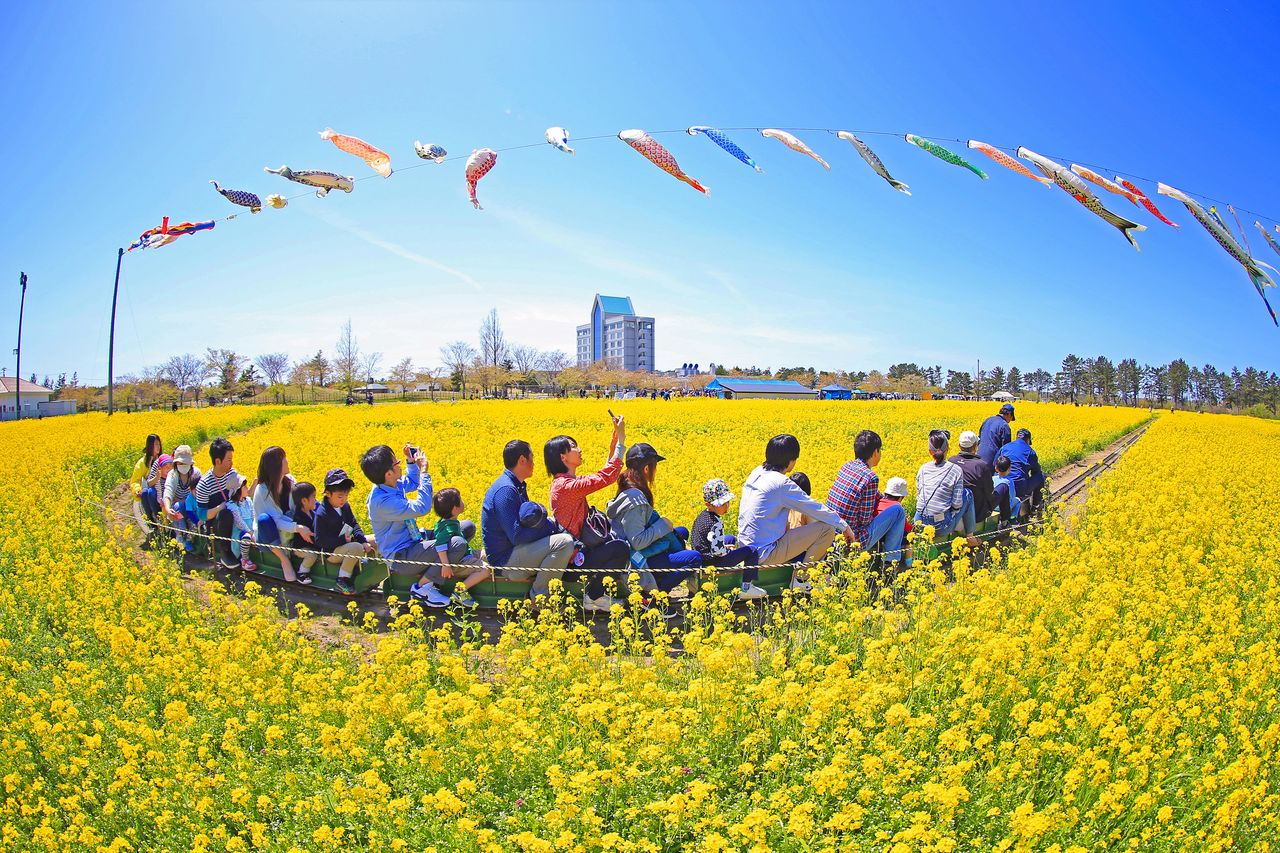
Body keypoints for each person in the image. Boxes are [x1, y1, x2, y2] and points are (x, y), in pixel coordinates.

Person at [738, 435, 855, 587]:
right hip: (765, 554)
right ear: (791, 461)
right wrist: (844, 527)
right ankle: (801, 579)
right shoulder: (780, 483)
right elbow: (813, 507)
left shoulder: (756, 473)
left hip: (746, 549)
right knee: (827, 529)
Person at [361, 443, 464, 608]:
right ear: (388, 473)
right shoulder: (382, 501)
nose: (399, 464)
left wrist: (411, 462)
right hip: (402, 556)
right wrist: (424, 471)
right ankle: (422, 588)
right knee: (457, 544)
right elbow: (422, 507)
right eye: (397, 462)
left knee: (465, 527)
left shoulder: (389, 484)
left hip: (415, 539)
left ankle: (442, 566)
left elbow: (412, 483)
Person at [545, 415, 628, 613]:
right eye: (574, 447)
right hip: (575, 561)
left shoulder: (566, 483)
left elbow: (601, 476)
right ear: (563, 457)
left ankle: (598, 594)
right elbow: (604, 478)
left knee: (615, 542)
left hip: (581, 553)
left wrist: (614, 445)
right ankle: (593, 597)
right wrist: (622, 440)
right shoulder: (565, 487)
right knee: (619, 549)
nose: (580, 450)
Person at [605, 443, 700, 601]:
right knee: (694, 558)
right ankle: (657, 593)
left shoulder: (627, 486)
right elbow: (637, 541)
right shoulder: (635, 500)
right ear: (646, 469)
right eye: (654, 467)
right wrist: (663, 525)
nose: (655, 472)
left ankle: (663, 576)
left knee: (682, 532)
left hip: (639, 550)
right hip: (637, 559)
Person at [483, 440, 574, 603]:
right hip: (506, 562)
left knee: (556, 529)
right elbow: (517, 536)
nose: (534, 462)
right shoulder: (506, 491)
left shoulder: (515, 485)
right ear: (522, 460)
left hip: (514, 552)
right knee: (564, 542)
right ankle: (540, 598)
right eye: (532, 457)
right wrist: (550, 527)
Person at [827, 430, 905, 567]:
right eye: (880, 450)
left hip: (832, 535)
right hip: (853, 540)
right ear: (875, 452)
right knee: (898, 511)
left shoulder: (847, 466)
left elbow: (876, 495)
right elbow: (865, 520)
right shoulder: (870, 477)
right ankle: (890, 562)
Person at [691, 478, 765, 601]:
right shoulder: (715, 523)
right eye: (722, 504)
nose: (727, 506)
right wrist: (729, 551)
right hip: (713, 562)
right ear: (708, 504)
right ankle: (747, 588)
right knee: (751, 551)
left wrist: (725, 548)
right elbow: (718, 551)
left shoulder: (703, 516)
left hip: (703, 557)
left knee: (730, 538)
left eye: (727, 502)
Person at [252, 446, 314, 584]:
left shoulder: (290, 481)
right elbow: (276, 521)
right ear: (276, 465)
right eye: (284, 458)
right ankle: (284, 560)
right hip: (269, 536)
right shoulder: (262, 490)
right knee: (264, 520)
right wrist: (298, 528)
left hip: (289, 530)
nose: (287, 461)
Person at [313, 468, 376, 596]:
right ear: (328, 494)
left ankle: (370, 574)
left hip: (346, 545)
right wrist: (342, 540)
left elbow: (354, 524)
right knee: (356, 547)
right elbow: (320, 540)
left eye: (346, 495)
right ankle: (342, 580)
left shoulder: (345, 506)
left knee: (376, 539)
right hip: (331, 552)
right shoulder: (322, 513)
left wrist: (363, 541)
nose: (344, 499)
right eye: (340, 496)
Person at [914, 430, 979, 547]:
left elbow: (919, 495)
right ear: (947, 449)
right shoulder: (955, 470)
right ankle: (970, 537)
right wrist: (952, 515)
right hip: (941, 527)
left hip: (920, 523)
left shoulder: (923, 468)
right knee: (967, 493)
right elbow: (957, 504)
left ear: (929, 451)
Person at [431, 487, 491, 608]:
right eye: (460, 500)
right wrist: (446, 565)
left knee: (489, 554)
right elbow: (440, 545)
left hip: (465, 554)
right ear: (455, 508)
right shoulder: (447, 528)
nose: (463, 501)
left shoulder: (447, 522)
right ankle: (459, 591)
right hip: (459, 562)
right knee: (486, 569)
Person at [195, 437, 241, 569]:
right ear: (217, 461)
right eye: (229, 460)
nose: (232, 463)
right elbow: (202, 515)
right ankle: (225, 552)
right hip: (217, 525)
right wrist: (220, 507)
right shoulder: (204, 484)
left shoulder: (232, 474)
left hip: (236, 515)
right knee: (225, 514)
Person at [949, 430, 997, 525]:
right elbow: (989, 491)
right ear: (975, 446)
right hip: (977, 514)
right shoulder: (981, 466)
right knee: (1003, 488)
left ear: (959, 445)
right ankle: (1006, 522)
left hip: (953, 512)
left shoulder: (951, 461)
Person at [162, 445, 202, 552]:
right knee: (178, 506)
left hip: (192, 506)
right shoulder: (173, 475)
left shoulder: (196, 473)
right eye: (180, 463)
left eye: (186, 463)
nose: (183, 466)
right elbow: (168, 492)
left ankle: (192, 539)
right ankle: (180, 536)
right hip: (178, 507)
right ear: (176, 463)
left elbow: (202, 491)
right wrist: (167, 509)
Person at [998, 428, 1045, 516]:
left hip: (1000, 485)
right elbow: (1036, 471)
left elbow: (995, 463)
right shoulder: (1030, 452)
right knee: (1040, 476)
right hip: (1019, 489)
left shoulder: (1005, 447)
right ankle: (1035, 506)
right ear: (1028, 440)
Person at [129, 434, 163, 534]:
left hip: (162, 487)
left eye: (159, 444)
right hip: (150, 489)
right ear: (149, 446)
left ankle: (161, 519)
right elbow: (135, 480)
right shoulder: (142, 463)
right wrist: (136, 489)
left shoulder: (162, 459)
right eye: (155, 444)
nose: (158, 447)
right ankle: (151, 520)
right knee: (145, 492)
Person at [876, 477, 914, 567]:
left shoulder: (879, 502)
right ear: (901, 497)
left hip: (877, 536)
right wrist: (912, 529)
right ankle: (909, 563)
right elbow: (906, 526)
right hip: (889, 537)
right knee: (909, 538)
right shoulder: (897, 508)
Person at [290, 481, 320, 584]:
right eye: (314, 497)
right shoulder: (299, 517)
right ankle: (302, 573)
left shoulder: (313, 513)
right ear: (304, 500)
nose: (316, 500)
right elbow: (309, 537)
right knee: (312, 555)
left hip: (311, 544)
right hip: (301, 547)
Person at [227, 473, 258, 572]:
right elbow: (239, 522)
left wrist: (254, 530)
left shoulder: (248, 500)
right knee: (246, 537)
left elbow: (253, 515)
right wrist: (250, 532)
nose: (247, 488)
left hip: (251, 528)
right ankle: (244, 559)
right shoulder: (231, 505)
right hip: (240, 531)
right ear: (237, 490)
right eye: (244, 486)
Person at [991, 455, 1021, 524]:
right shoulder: (1009, 481)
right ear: (1009, 468)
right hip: (1004, 507)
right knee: (1018, 500)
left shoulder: (992, 478)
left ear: (996, 468)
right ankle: (1013, 518)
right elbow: (1012, 496)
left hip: (993, 506)